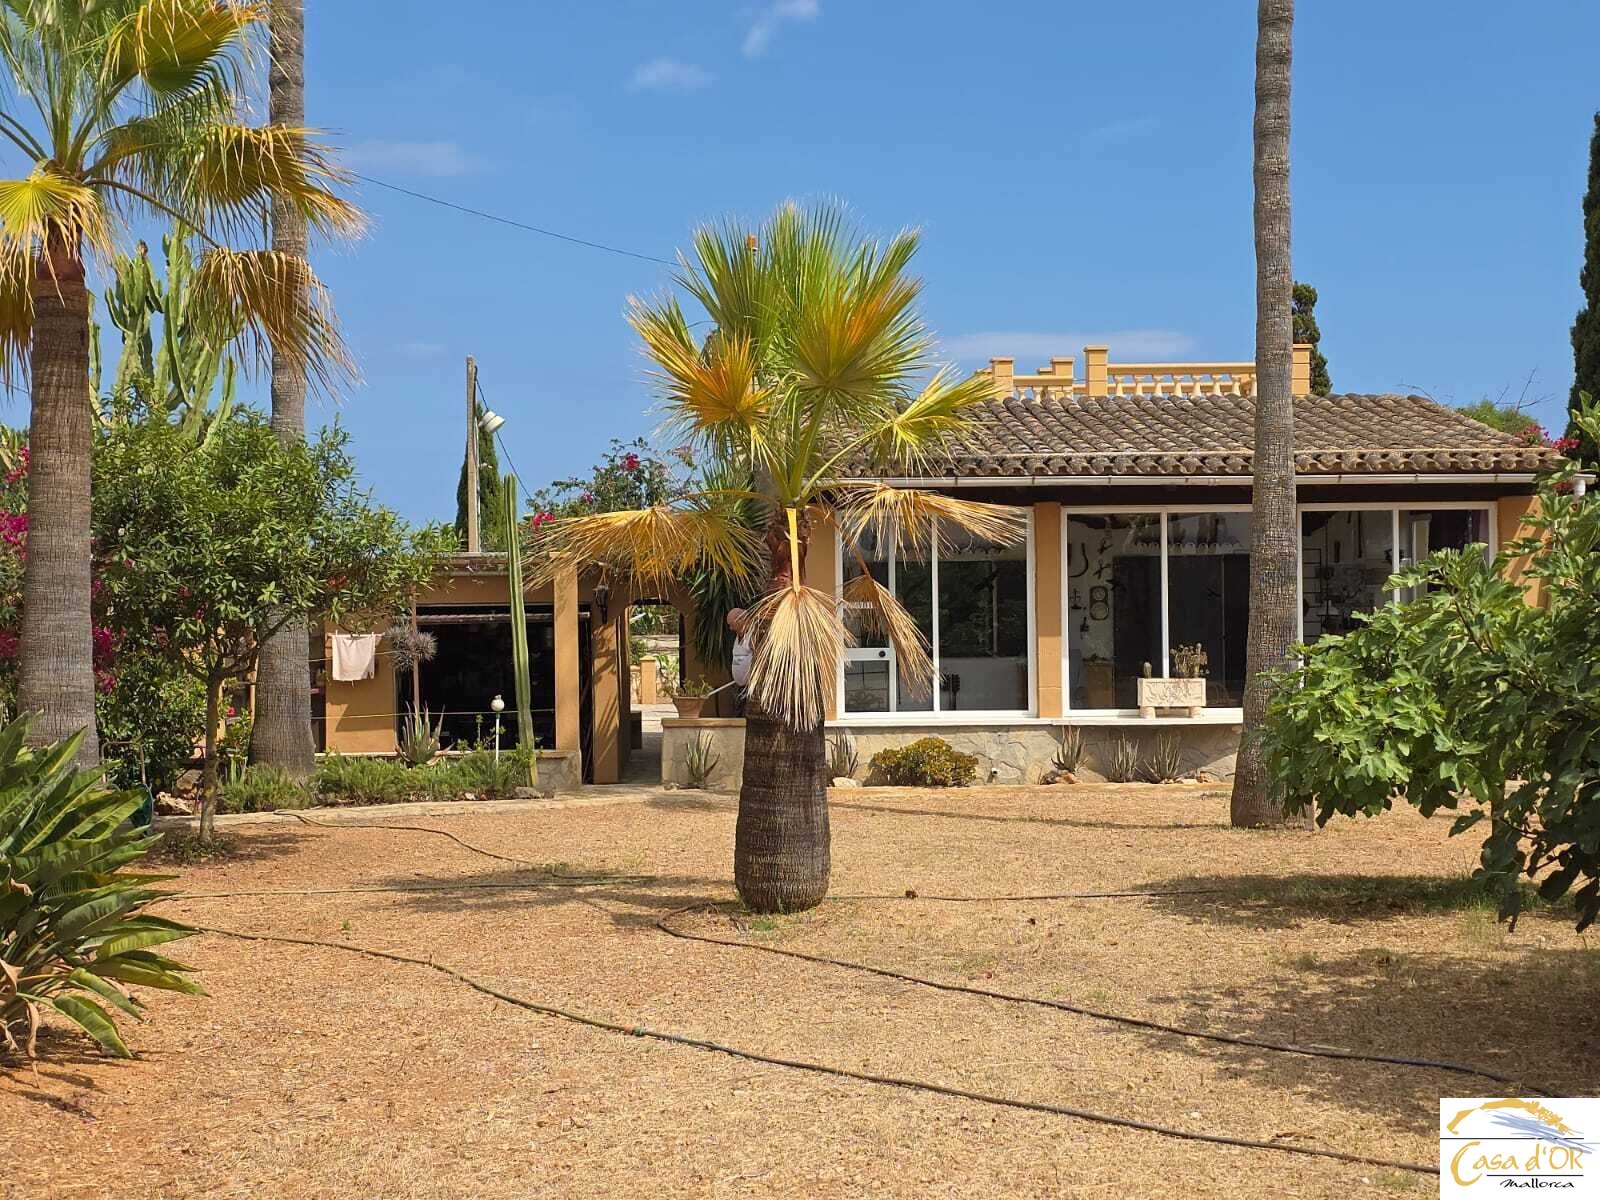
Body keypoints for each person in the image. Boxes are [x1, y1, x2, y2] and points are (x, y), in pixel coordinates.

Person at [727, 608, 752, 715]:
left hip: (750, 690)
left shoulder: (754, 635)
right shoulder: (737, 637)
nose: (730, 628)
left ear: (741, 620)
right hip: (739, 688)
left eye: (732, 624)